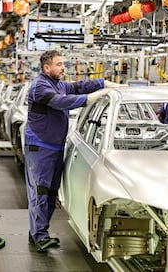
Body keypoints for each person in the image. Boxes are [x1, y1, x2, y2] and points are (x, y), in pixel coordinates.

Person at [24, 50, 119, 252]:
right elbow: (60, 102)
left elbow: (77, 86)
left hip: (55, 146)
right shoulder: (40, 87)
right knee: (40, 192)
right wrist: (88, 98)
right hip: (40, 147)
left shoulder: (58, 84)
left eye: (63, 64)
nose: (63, 68)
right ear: (46, 67)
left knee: (50, 192)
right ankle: (39, 236)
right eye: (59, 64)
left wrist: (103, 84)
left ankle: (38, 233)